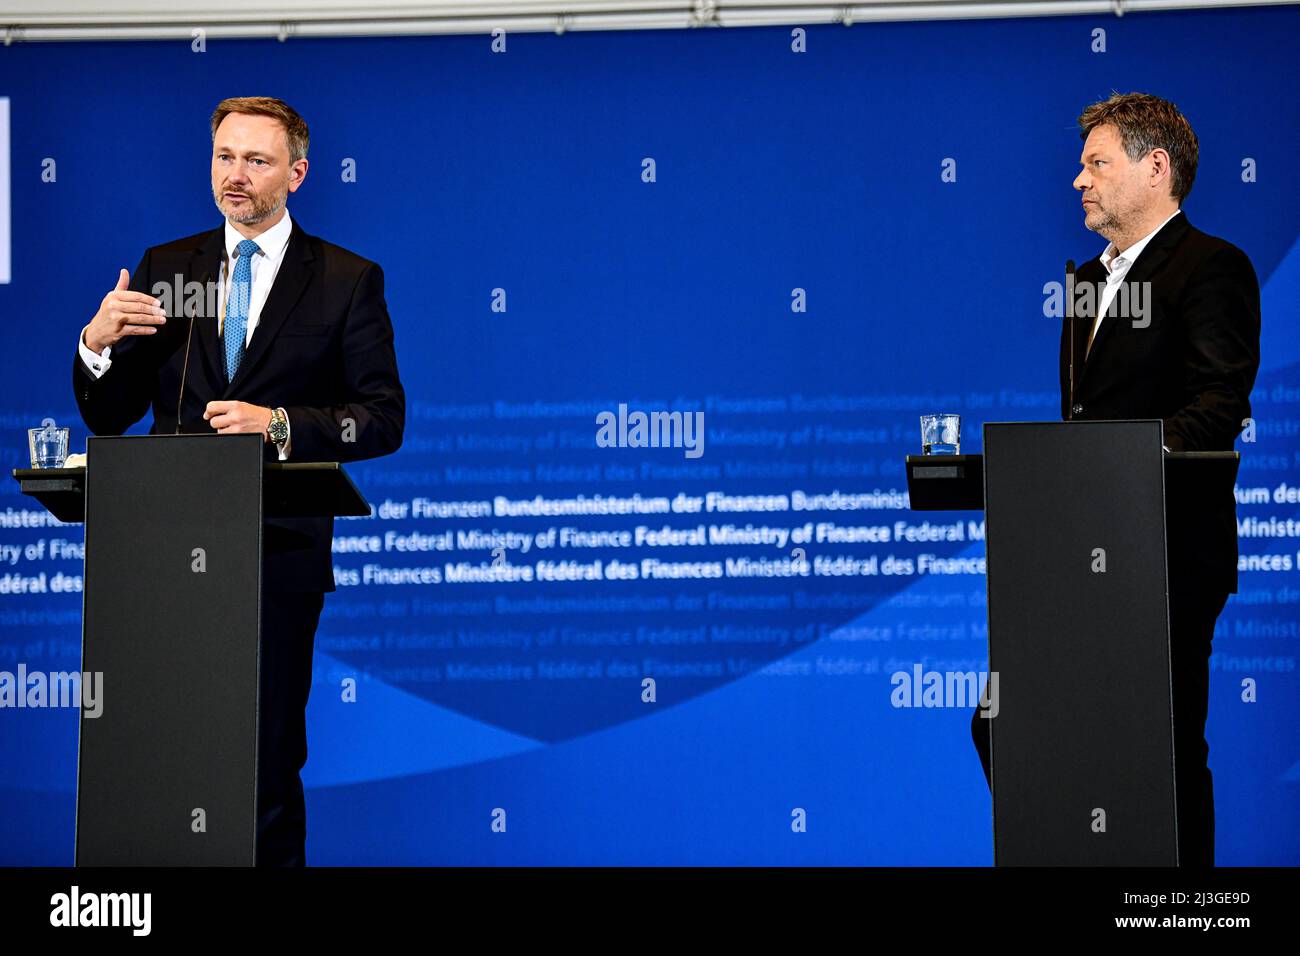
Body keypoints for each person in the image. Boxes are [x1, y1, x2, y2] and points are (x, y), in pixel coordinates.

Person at [73, 96, 405, 866]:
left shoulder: (347, 280)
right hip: (161, 557)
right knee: (159, 763)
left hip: (271, 561)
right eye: (224, 156)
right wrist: (95, 343)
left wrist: (280, 425)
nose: (236, 175)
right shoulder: (167, 268)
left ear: (297, 172)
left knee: (260, 769)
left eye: (256, 160)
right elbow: (112, 413)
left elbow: (382, 418)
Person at [970, 92, 1260, 867]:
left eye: (1097, 163)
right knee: (1004, 722)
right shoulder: (1088, 284)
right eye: (1081, 164)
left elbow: (1215, 409)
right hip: (1078, 559)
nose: (1078, 180)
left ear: (1155, 168)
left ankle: (1184, 915)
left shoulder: (1212, 268)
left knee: (1159, 751)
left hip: (1162, 556)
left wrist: (1110, 470)